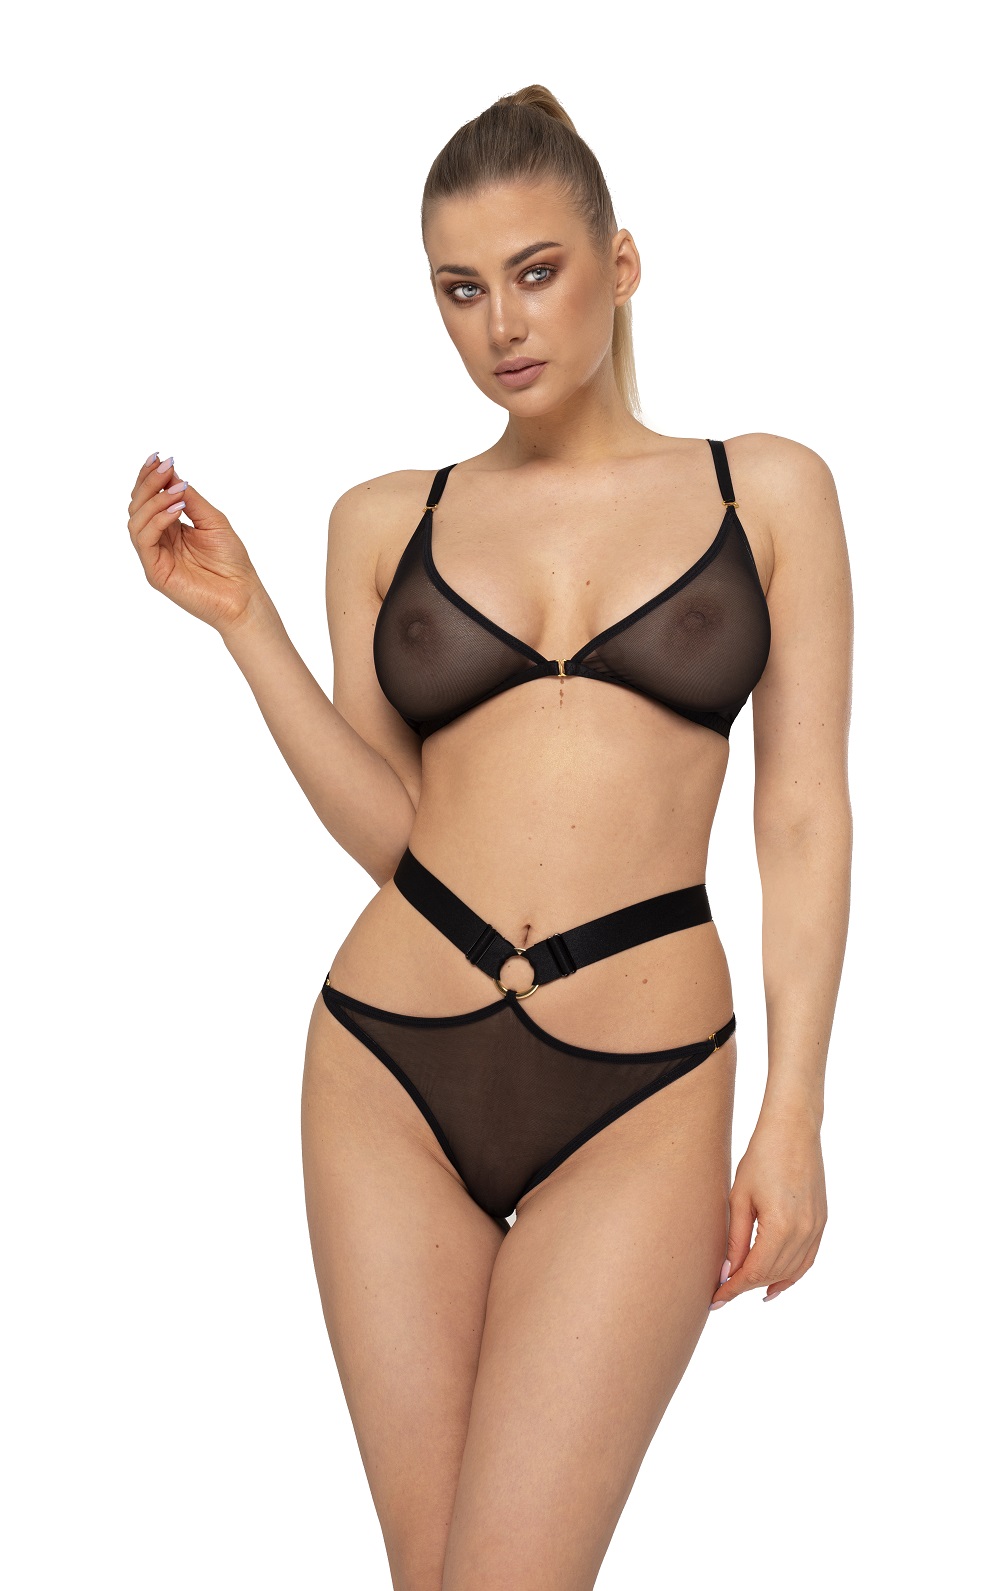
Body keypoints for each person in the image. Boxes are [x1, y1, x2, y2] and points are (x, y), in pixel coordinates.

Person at [127, 85, 852, 1591]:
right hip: (389, 1060)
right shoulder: (383, 519)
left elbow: (800, 814)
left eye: (535, 272)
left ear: (620, 264)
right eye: (460, 289)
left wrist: (794, 1112)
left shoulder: (766, 490)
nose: (501, 325)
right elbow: (395, 833)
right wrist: (246, 625)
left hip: (645, 1082)